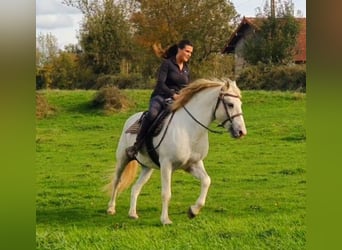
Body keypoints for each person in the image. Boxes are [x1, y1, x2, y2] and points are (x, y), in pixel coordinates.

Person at [126, 39, 194, 159]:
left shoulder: (186, 68)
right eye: (187, 51)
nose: (189, 54)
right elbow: (160, 84)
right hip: (160, 97)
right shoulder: (167, 64)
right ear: (179, 50)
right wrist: (173, 94)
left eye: (190, 53)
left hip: (176, 100)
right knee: (152, 115)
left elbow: (187, 86)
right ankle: (136, 146)